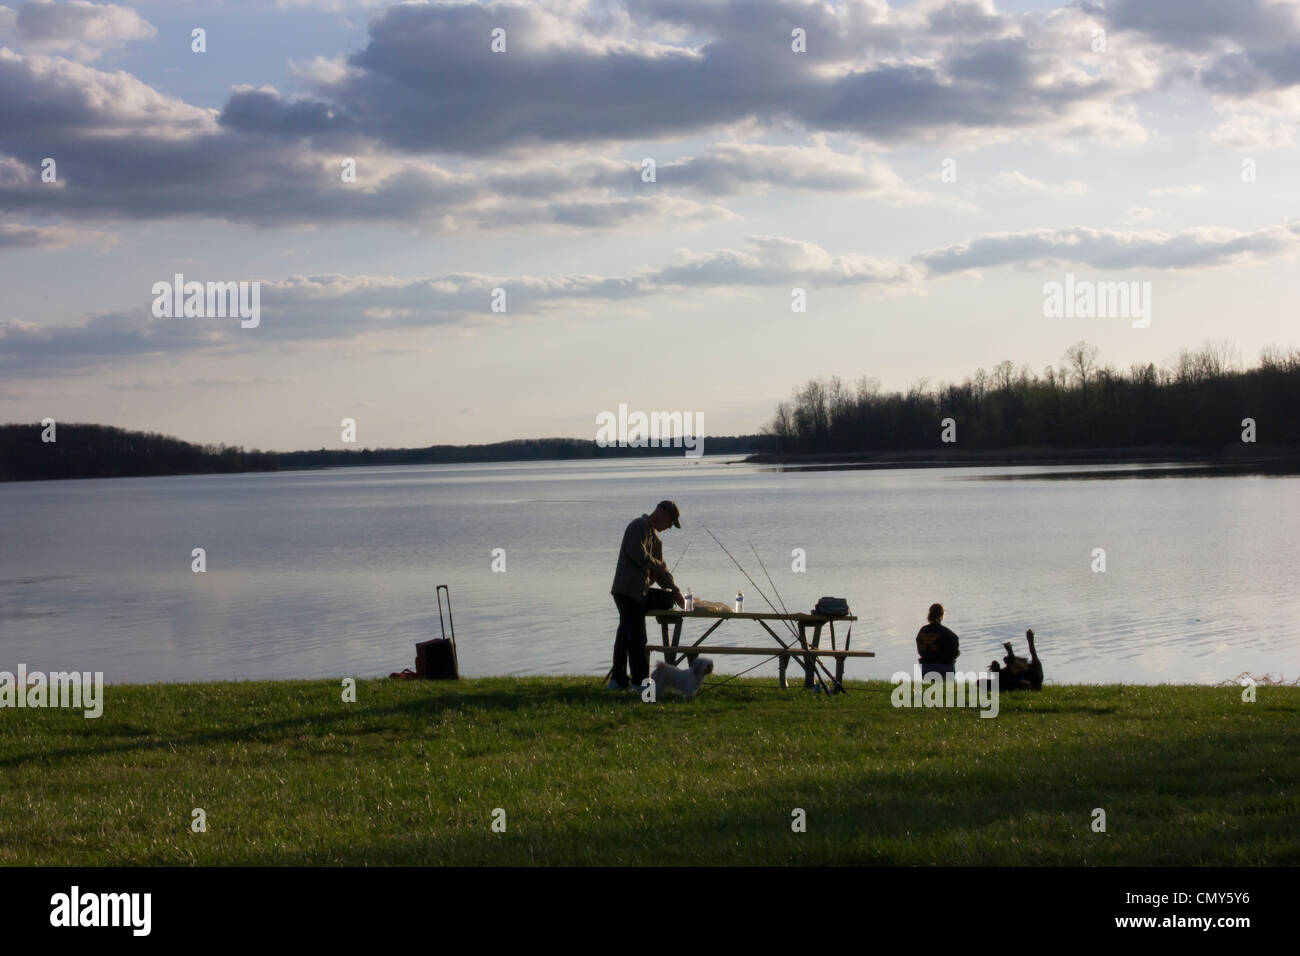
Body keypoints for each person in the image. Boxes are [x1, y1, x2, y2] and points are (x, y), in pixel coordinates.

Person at [608, 500, 685, 692]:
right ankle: (640, 685)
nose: (669, 527)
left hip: (638, 593)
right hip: (627, 591)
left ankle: (618, 681)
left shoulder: (656, 540)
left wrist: (675, 590)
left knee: (625, 636)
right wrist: (657, 565)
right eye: (670, 522)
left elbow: (661, 574)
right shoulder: (638, 526)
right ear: (662, 512)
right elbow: (637, 554)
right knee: (637, 638)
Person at [915, 602, 959, 676]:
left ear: (929, 614)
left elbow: (920, 651)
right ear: (942, 615)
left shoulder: (923, 630)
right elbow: (954, 652)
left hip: (926, 669)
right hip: (944, 668)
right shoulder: (947, 633)